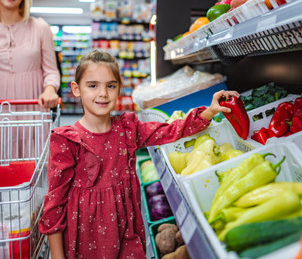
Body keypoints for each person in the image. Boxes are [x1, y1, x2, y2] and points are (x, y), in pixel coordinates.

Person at [39, 50, 239, 258]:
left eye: (110, 85)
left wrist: (209, 111)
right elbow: (55, 202)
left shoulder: (127, 129)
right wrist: (57, 255)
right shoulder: (67, 141)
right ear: (76, 89)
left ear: (119, 89)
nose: (103, 93)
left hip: (127, 233)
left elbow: (169, 130)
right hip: (85, 242)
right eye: (92, 85)